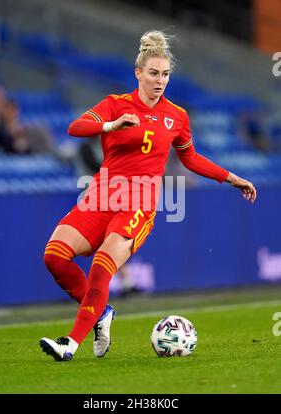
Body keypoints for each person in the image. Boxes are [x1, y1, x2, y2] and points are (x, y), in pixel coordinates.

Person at [40, 31, 257, 362]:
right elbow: (75, 128)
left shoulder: (177, 117)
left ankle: (70, 343)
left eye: (166, 74)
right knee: (54, 257)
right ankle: (100, 312)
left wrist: (232, 178)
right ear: (138, 73)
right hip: (101, 196)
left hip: (138, 205)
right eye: (154, 73)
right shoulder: (115, 104)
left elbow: (191, 158)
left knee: (102, 267)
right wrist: (111, 126)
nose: (160, 81)